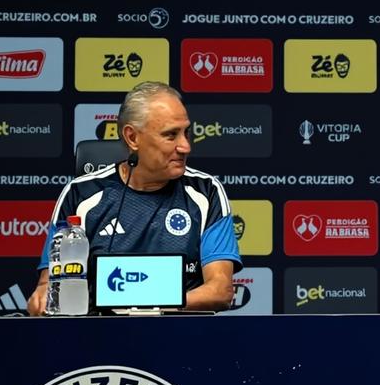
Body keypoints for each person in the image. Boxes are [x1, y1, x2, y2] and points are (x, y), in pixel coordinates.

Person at [27, 81, 242, 315]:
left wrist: (144, 306)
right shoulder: (81, 195)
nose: (185, 146)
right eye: (171, 135)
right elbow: (49, 285)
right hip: (98, 341)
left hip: (181, 338)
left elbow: (220, 290)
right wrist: (42, 298)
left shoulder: (206, 191)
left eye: (186, 133)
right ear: (132, 137)